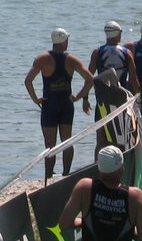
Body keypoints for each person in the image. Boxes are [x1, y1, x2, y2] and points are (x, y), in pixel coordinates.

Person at [24, 28, 94, 180]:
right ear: (63, 41)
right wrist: (79, 96)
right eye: (67, 40)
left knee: (50, 144)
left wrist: (36, 99)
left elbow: (28, 81)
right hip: (66, 105)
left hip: (49, 105)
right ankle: (66, 174)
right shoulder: (72, 60)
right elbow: (90, 80)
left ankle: (48, 176)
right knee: (67, 141)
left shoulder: (42, 58)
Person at [57, 145, 142, 241]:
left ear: (99, 167)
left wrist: (84, 222)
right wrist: (127, 229)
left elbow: (64, 223)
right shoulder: (135, 196)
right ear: (122, 168)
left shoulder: (84, 187)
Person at [90, 21, 139, 94]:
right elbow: (133, 79)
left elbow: (89, 77)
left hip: (102, 96)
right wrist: (139, 97)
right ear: (118, 33)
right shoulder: (127, 53)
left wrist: (85, 99)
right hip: (121, 96)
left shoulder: (97, 52)